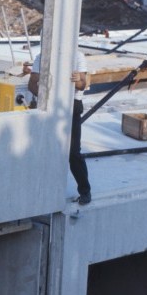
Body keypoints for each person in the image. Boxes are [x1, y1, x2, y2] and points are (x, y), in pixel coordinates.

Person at [29, 47, 91, 204]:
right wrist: (48, 95)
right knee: (46, 150)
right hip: (50, 107)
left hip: (71, 107)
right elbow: (32, 84)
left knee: (73, 153)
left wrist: (78, 80)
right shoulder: (41, 57)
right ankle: (43, 191)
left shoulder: (77, 56)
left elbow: (82, 84)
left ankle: (85, 191)